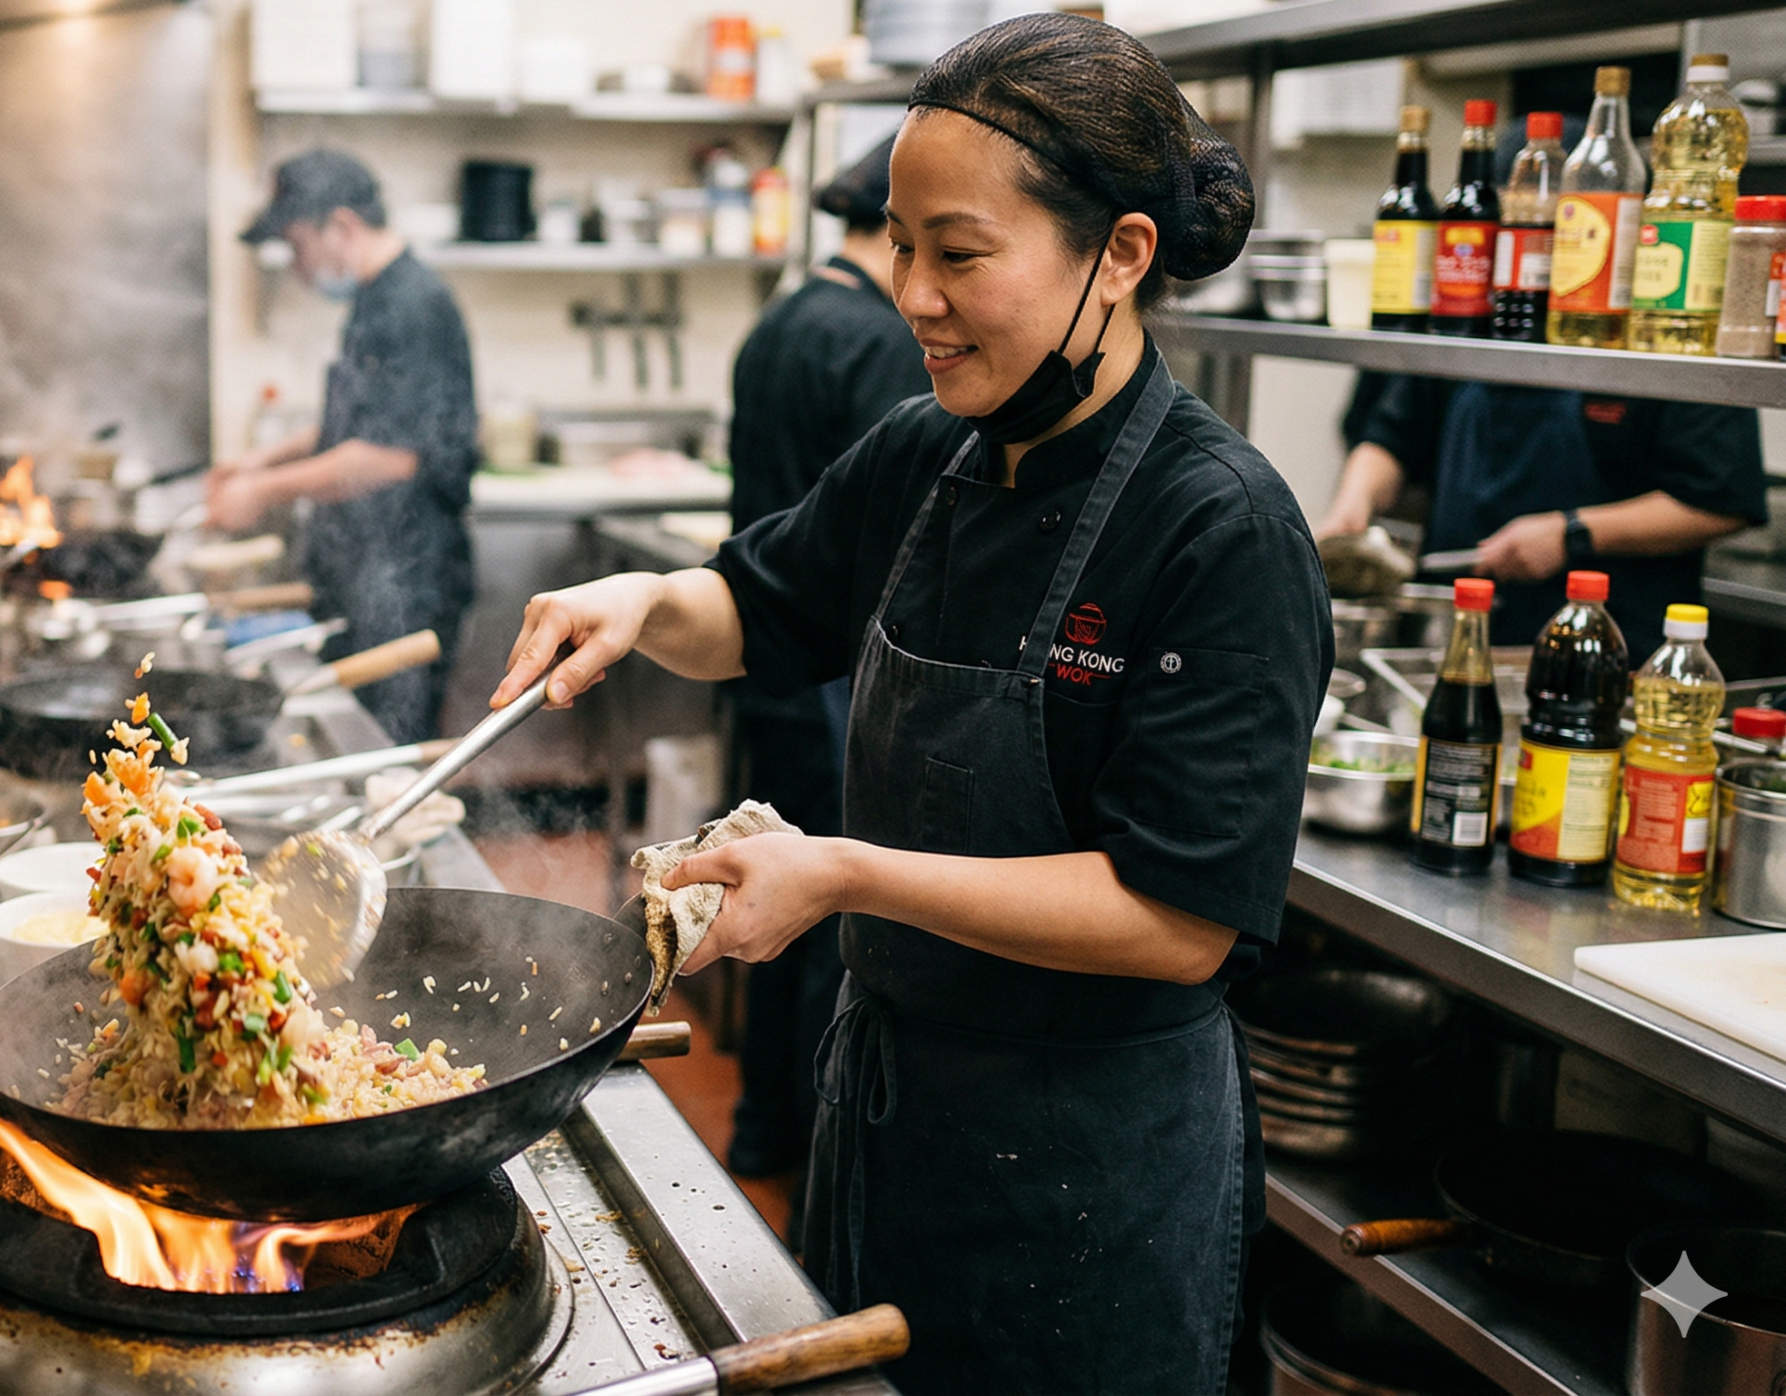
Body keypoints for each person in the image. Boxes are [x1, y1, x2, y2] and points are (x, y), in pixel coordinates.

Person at [490, 16, 1328, 1391]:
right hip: (895, 1114)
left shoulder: (1217, 526)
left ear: (1118, 256)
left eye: (960, 253)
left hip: (1090, 1173)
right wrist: (645, 598)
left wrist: (844, 876)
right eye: (900, 244)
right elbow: (755, 613)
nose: (912, 295)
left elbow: (1178, 922)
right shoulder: (931, 453)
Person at [718, 132, 927, 1184]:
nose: (925, 294)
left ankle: (761, 1122)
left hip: (770, 656)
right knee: (814, 912)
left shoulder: (783, 319)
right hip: (840, 674)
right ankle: (803, 1145)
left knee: (772, 902)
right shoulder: (880, 348)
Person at [212, 149, 480, 741]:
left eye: (298, 245)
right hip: (367, 575)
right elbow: (358, 425)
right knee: (351, 740)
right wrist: (259, 459)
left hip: (407, 584)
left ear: (342, 226)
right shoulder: (374, 298)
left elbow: (391, 455)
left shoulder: (413, 304)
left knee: (382, 753)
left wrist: (262, 490)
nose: (298, 266)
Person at [1317, 376, 1765, 646]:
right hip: (1454, 635)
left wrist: (1571, 531)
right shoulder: (1477, 301)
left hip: (1609, 649)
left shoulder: (1660, 318)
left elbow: (1719, 500)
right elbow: (1392, 438)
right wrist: (1352, 506)